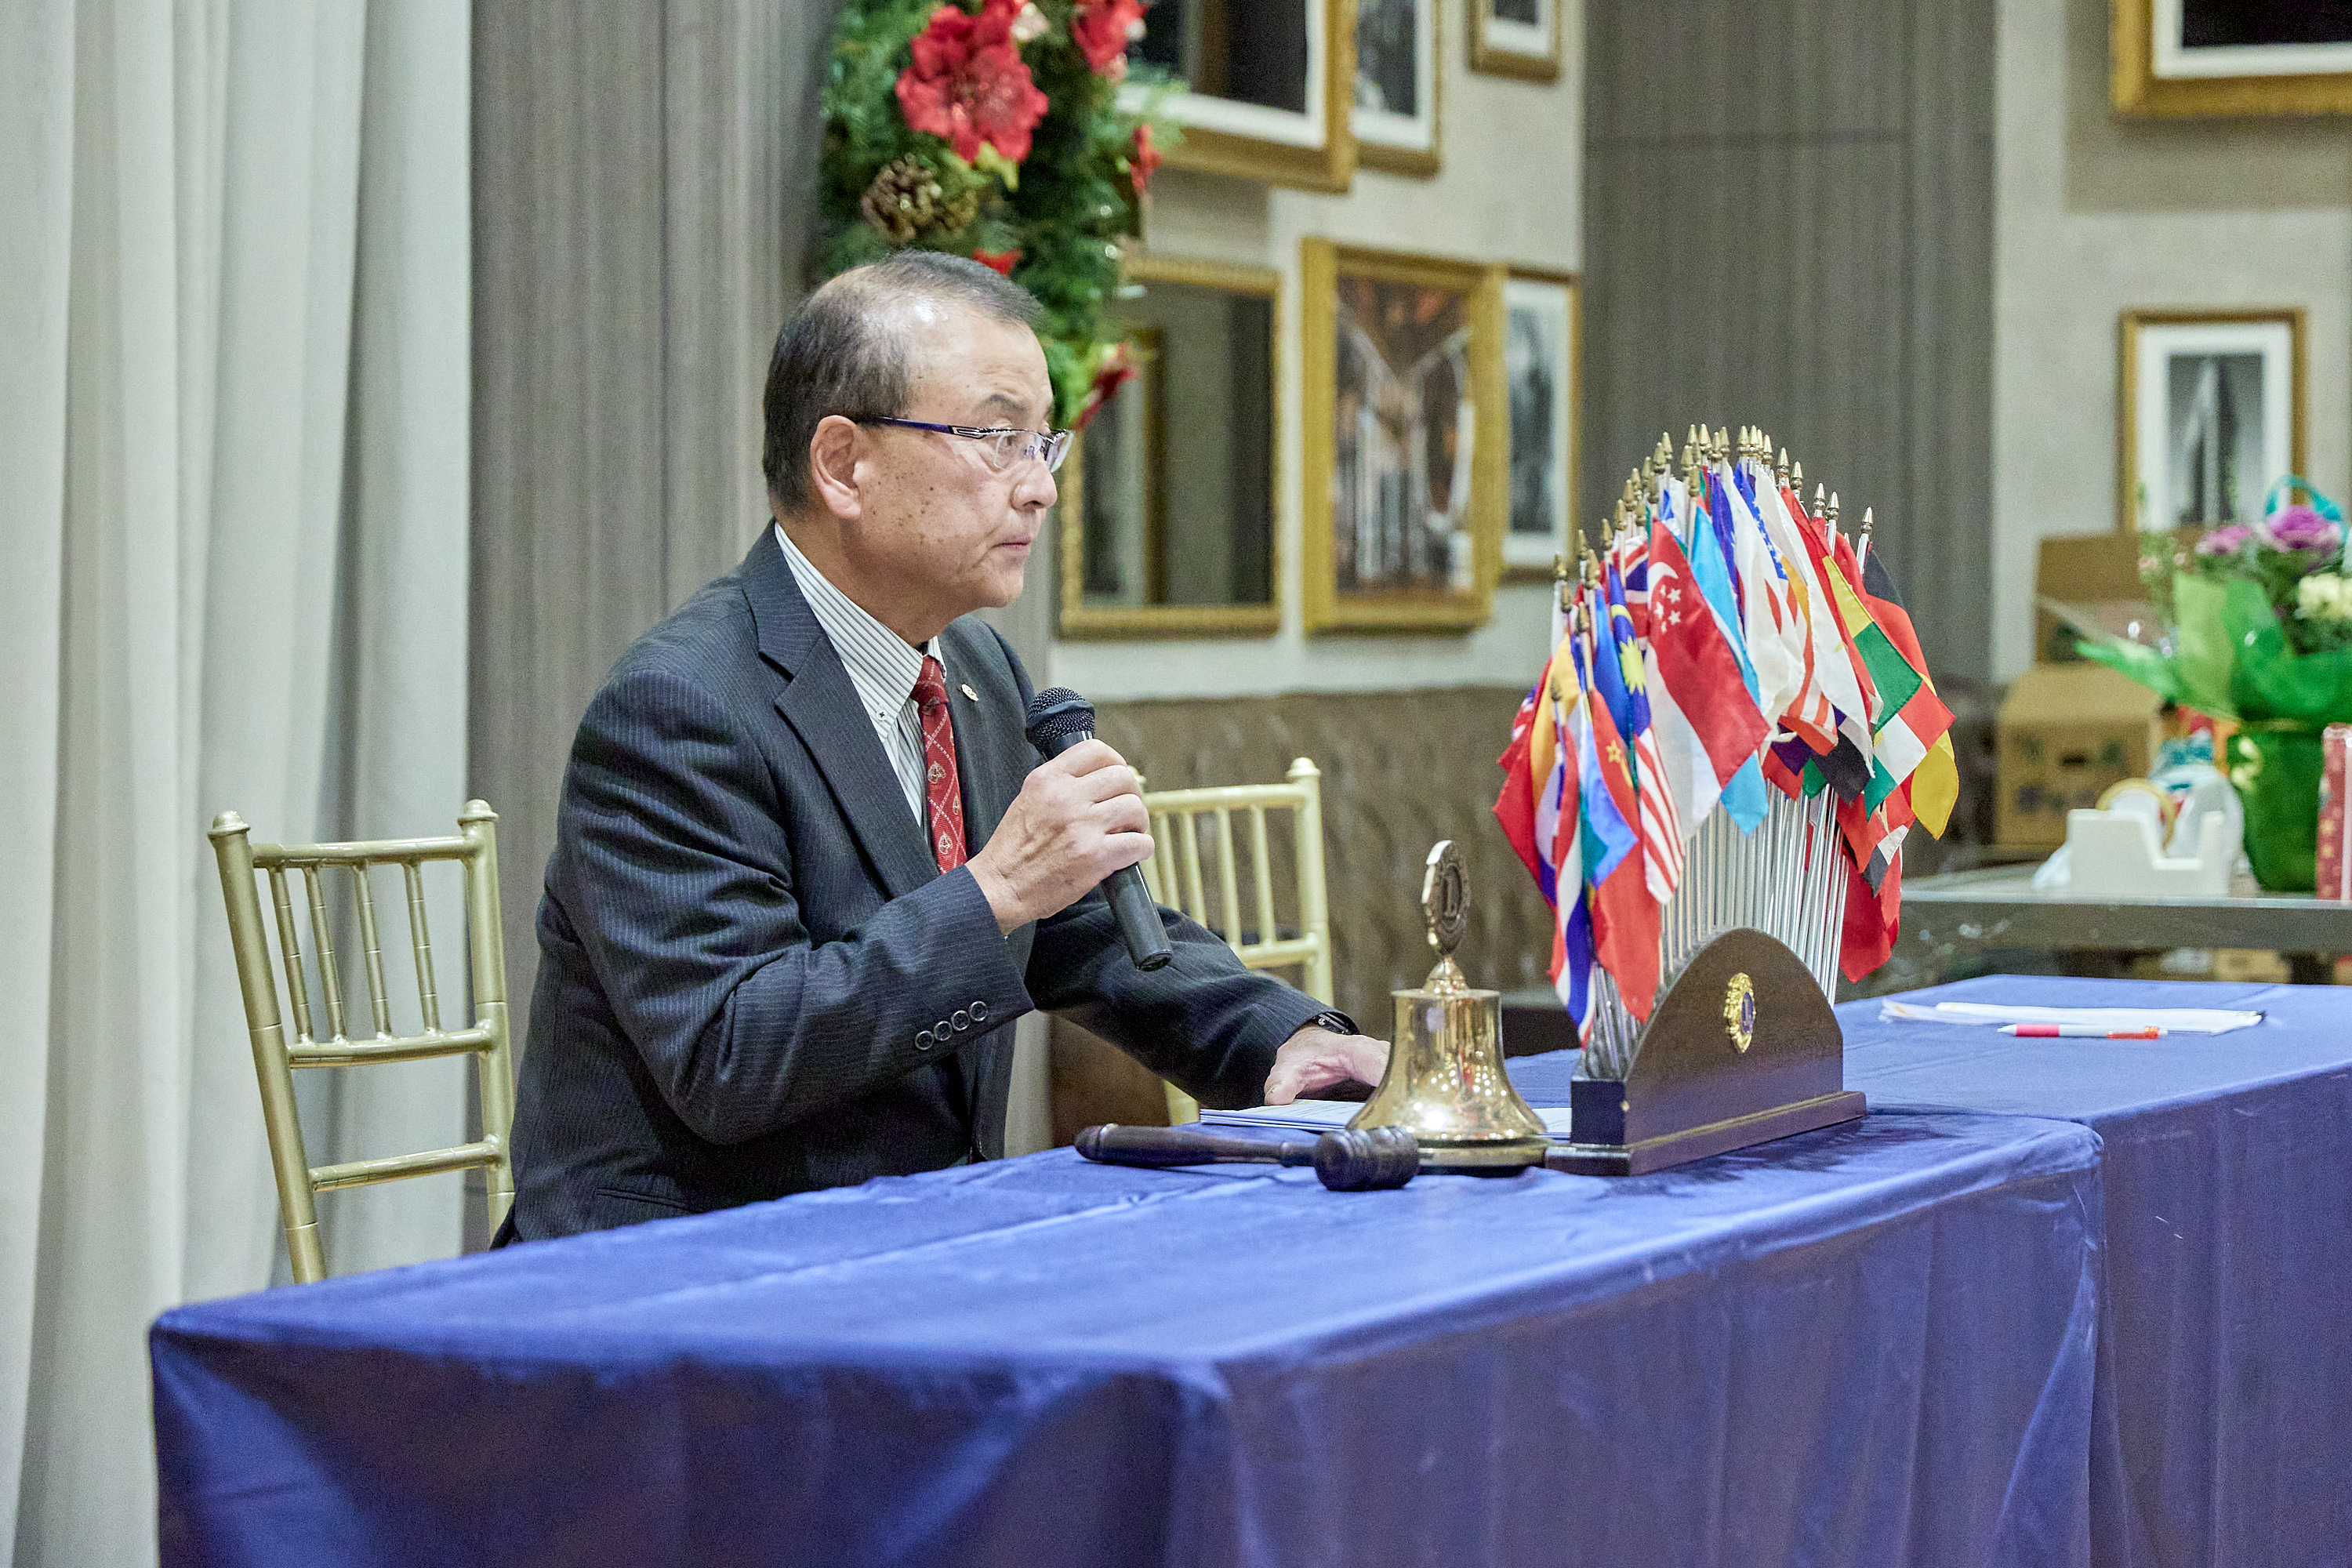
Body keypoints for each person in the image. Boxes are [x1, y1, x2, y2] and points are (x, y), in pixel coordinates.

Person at [503, 252, 1388, 1240]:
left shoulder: (973, 668)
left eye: (1040, 443)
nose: (1039, 490)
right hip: (680, 1275)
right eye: (995, 437)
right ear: (843, 464)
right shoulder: (680, 707)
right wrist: (999, 887)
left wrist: (1282, 1036)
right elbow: (730, 1052)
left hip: (913, 1237)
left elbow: (1077, 932)